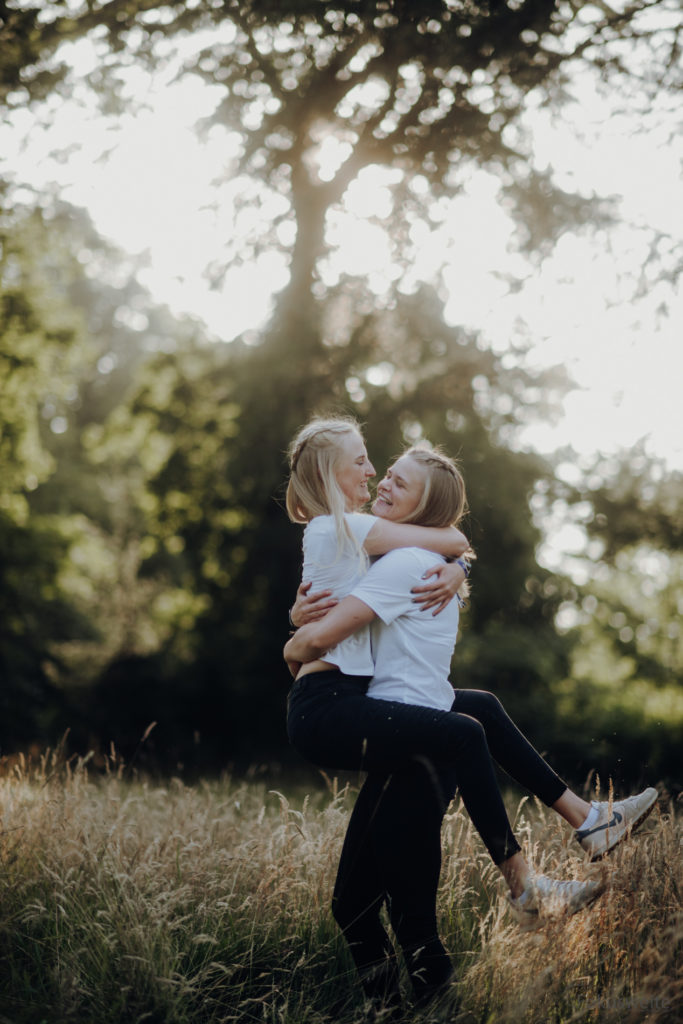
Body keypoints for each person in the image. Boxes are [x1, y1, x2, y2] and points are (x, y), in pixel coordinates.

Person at [283, 420, 657, 1009]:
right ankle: (526, 885)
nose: (373, 472)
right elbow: (449, 543)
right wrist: (295, 642)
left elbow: (446, 547)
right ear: (332, 474)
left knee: (474, 708)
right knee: (463, 732)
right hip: (332, 706)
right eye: (361, 462)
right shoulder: (348, 529)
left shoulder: (363, 541)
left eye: (386, 471)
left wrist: (459, 566)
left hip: (348, 703)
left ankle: (588, 821)